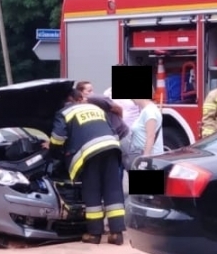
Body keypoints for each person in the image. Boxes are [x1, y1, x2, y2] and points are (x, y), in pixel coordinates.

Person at [50, 85, 126, 245]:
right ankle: (117, 233)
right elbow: (113, 130)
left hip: (90, 154)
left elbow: (58, 137)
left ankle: (95, 234)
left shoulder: (63, 113)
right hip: (111, 148)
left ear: (68, 100)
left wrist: (53, 151)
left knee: (92, 190)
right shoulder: (96, 109)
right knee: (112, 189)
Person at [123, 97, 164, 170]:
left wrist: (144, 161)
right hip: (147, 158)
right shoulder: (147, 110)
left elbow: (150, 136)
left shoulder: (149, 112)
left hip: (149, 159)